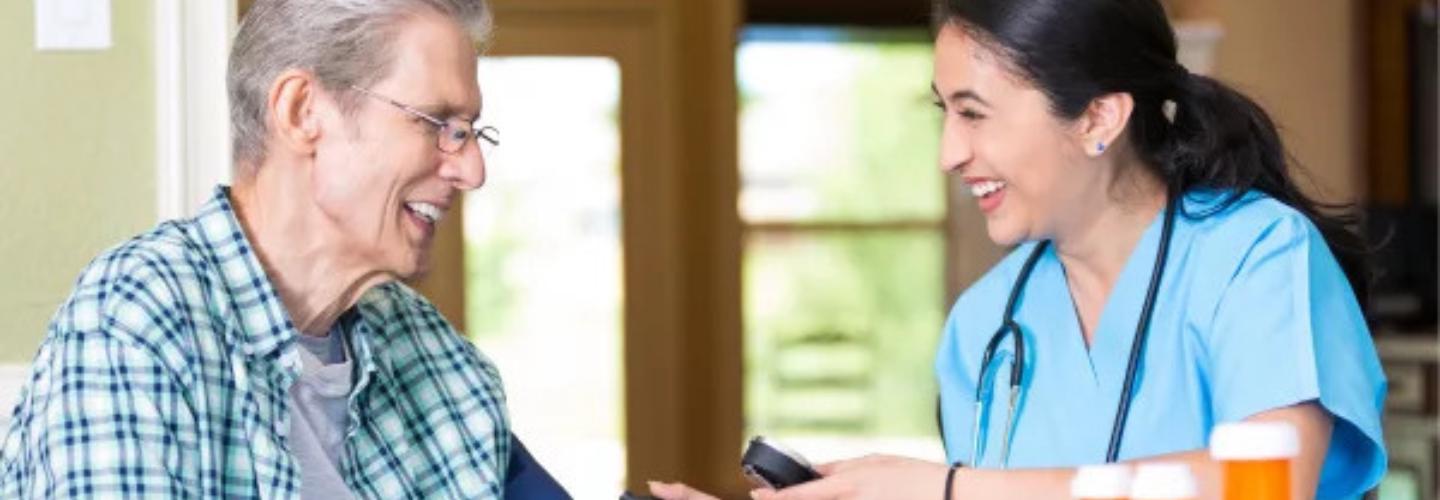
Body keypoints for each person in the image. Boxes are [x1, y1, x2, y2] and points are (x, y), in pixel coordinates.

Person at [649, 0, 1386, 498]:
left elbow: (1267, 485)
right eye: (944, 114)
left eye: (974, 114)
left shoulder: (1257, 255)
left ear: (1098, 117)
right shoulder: (986, 322)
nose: (948, 153)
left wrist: (946, 488)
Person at [0, 1, 534, 498]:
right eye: (440, 124)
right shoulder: (137, 316)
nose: (472, 171)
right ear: (301, 111)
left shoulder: (445, 365)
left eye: (470, 132)